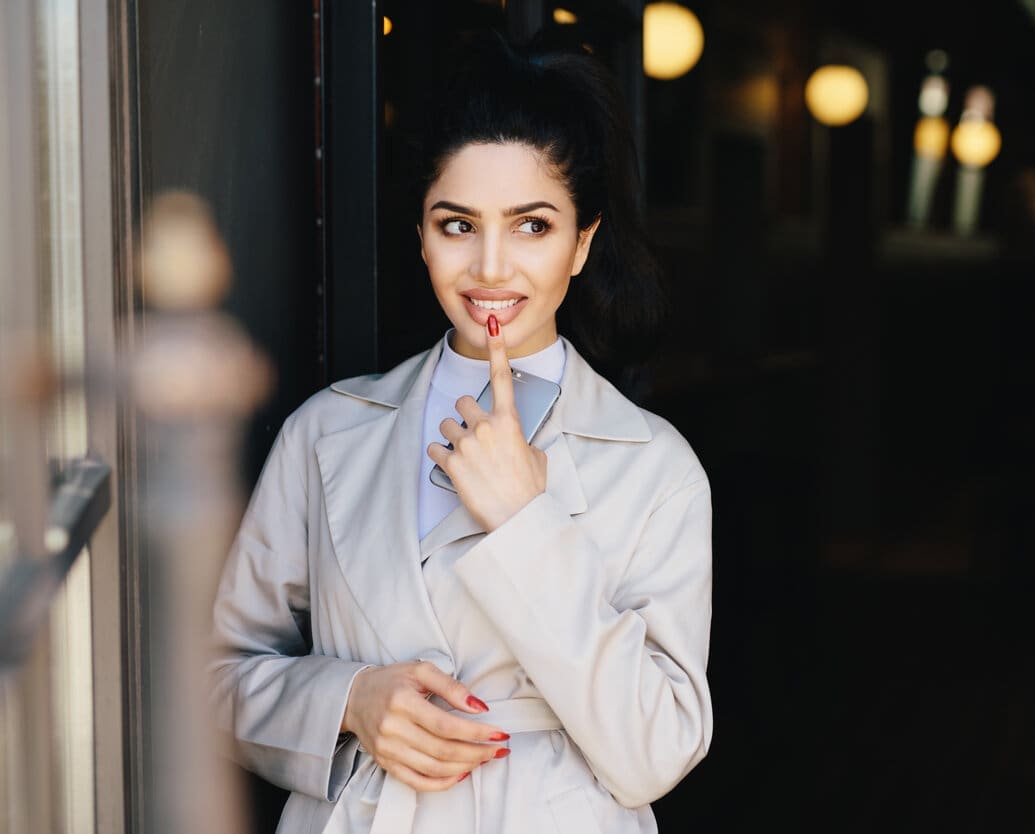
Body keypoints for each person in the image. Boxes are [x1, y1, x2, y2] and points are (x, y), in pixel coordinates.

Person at [208, 33, 713, 834]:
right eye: (455, 225)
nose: (489, 266)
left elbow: (656, 751)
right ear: (419, 235)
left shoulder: (656, 467)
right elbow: (216, 677)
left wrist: (526, 525)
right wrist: (348, 702)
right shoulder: (329, 431)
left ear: (583, 243)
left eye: (532, 226)